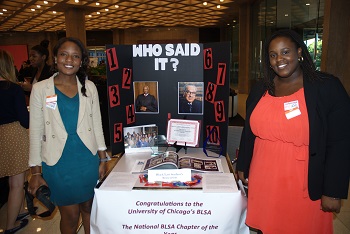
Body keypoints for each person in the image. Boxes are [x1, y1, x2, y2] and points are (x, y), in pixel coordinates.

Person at [236, 29, 350, 234]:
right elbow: (249, 132)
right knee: (267, 227)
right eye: (273, 55)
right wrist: (243, 165)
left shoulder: (327, 87)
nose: (279, 59)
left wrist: (333, 191)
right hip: (264, 177)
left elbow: (340, 142)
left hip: (303, 182)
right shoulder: (261, 88)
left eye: (285, 52)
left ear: (299, 52)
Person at [27, 37, 108, 234]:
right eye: (64, 54)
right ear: (55, 58)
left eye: (75, 56)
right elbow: (36, 131)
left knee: (90, 209)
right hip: (58, 162)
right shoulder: (41, 89)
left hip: (86, 159)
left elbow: (97, 124)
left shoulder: (89, 87)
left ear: (81, 61)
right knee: (70, 215)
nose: (69, 59)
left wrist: (103, 157)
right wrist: (36, 173)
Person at [0, 49, 30, 234]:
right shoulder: (13, 88)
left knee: (12, 181)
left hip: (2, 135)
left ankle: (17, 211)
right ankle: (10, 225)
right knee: (17, 182)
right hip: (14, 134)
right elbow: (24, 120)